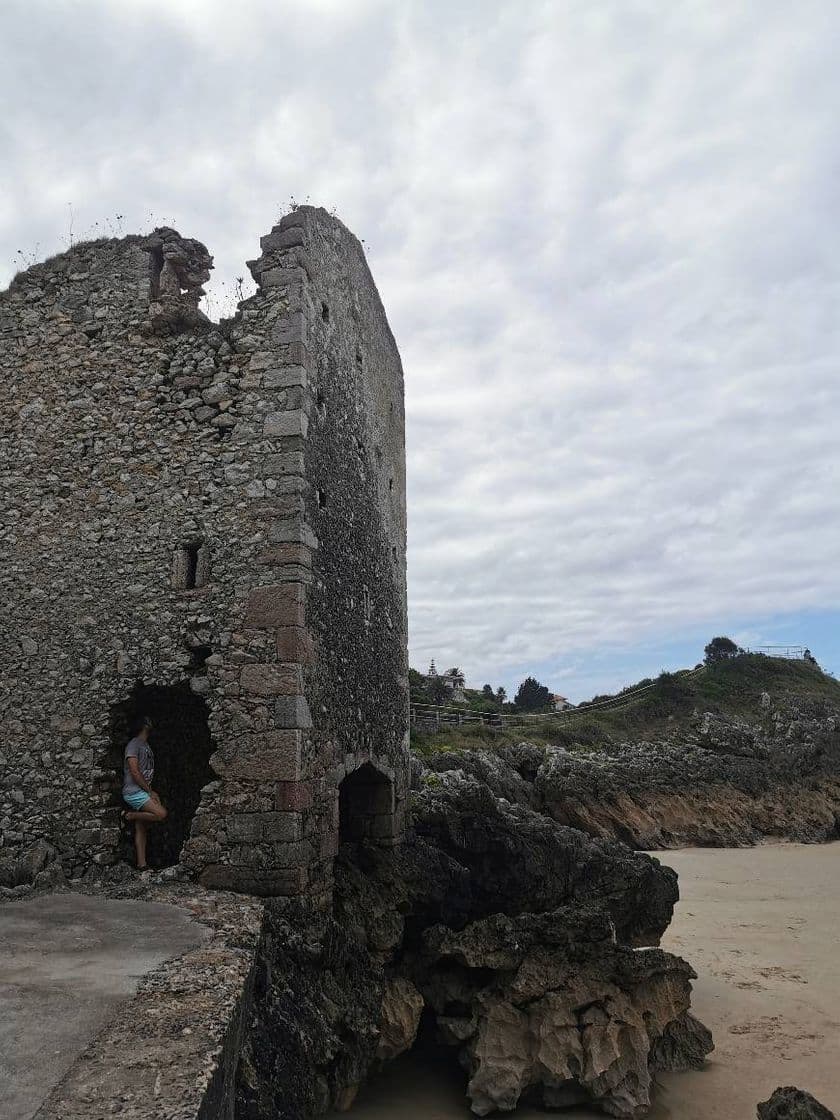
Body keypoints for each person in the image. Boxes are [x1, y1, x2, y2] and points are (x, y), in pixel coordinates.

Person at [121, 716, 167, 871]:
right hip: (134, 792)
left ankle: (142, 864)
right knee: (161, 814)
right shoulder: (134, 744)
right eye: (149, 720)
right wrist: (150, 791)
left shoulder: (145, 744)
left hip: (142, 791)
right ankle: (129, 815)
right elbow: (134, 771)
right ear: (145, 724)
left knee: (141, 827)